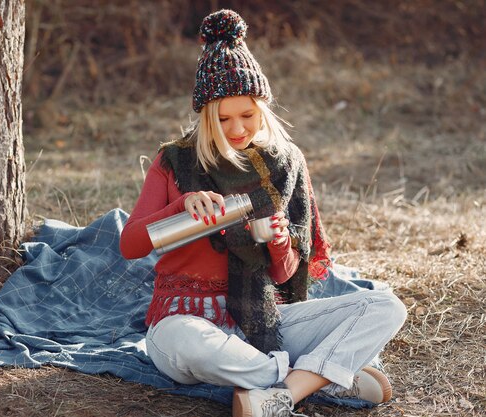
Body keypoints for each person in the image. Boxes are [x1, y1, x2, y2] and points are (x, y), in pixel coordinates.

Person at [120, 9, 407, 417]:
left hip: (260, 323)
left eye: (247, 115)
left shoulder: (284, 165)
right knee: (190, 342)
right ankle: (322, 379)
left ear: (263, 108)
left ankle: (280, 393)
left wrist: (279, 242)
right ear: (205, 117)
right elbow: (130, 244)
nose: (237, 129)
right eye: (223, 119)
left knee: (386, 307)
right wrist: (180, 205)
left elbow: (285, 277)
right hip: (184, 322)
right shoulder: (175, 161)